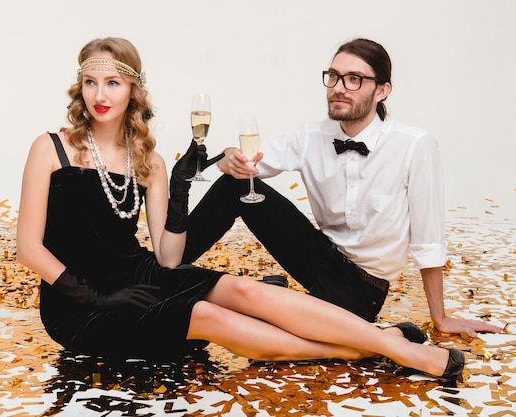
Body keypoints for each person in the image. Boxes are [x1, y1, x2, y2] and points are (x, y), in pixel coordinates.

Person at [16, 36, 466, 380]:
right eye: (91, 82)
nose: (101, 93)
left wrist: (178, 185)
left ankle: (378, 342)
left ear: (133, 89)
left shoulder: (147, 159)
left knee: (247, 292)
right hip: (79, 302)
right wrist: (98, 296)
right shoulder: (50, 147)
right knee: (210, 315)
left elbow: (170, 259)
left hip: (141, 274)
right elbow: (29, 249)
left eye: (113, 82)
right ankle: (389, 347)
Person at [182, 38, 503, 338]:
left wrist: (441, 319)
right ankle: (157, 272)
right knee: (234, 185)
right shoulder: (311, 135)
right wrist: (229, 159)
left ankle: (373, 332)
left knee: (271, 338)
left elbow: (427, 241)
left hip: (362, 287)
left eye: (354, 79)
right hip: (318, 256)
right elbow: (247, 162)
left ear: (382, 90)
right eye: (333, 77)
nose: (339, 88)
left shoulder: (415, 145)